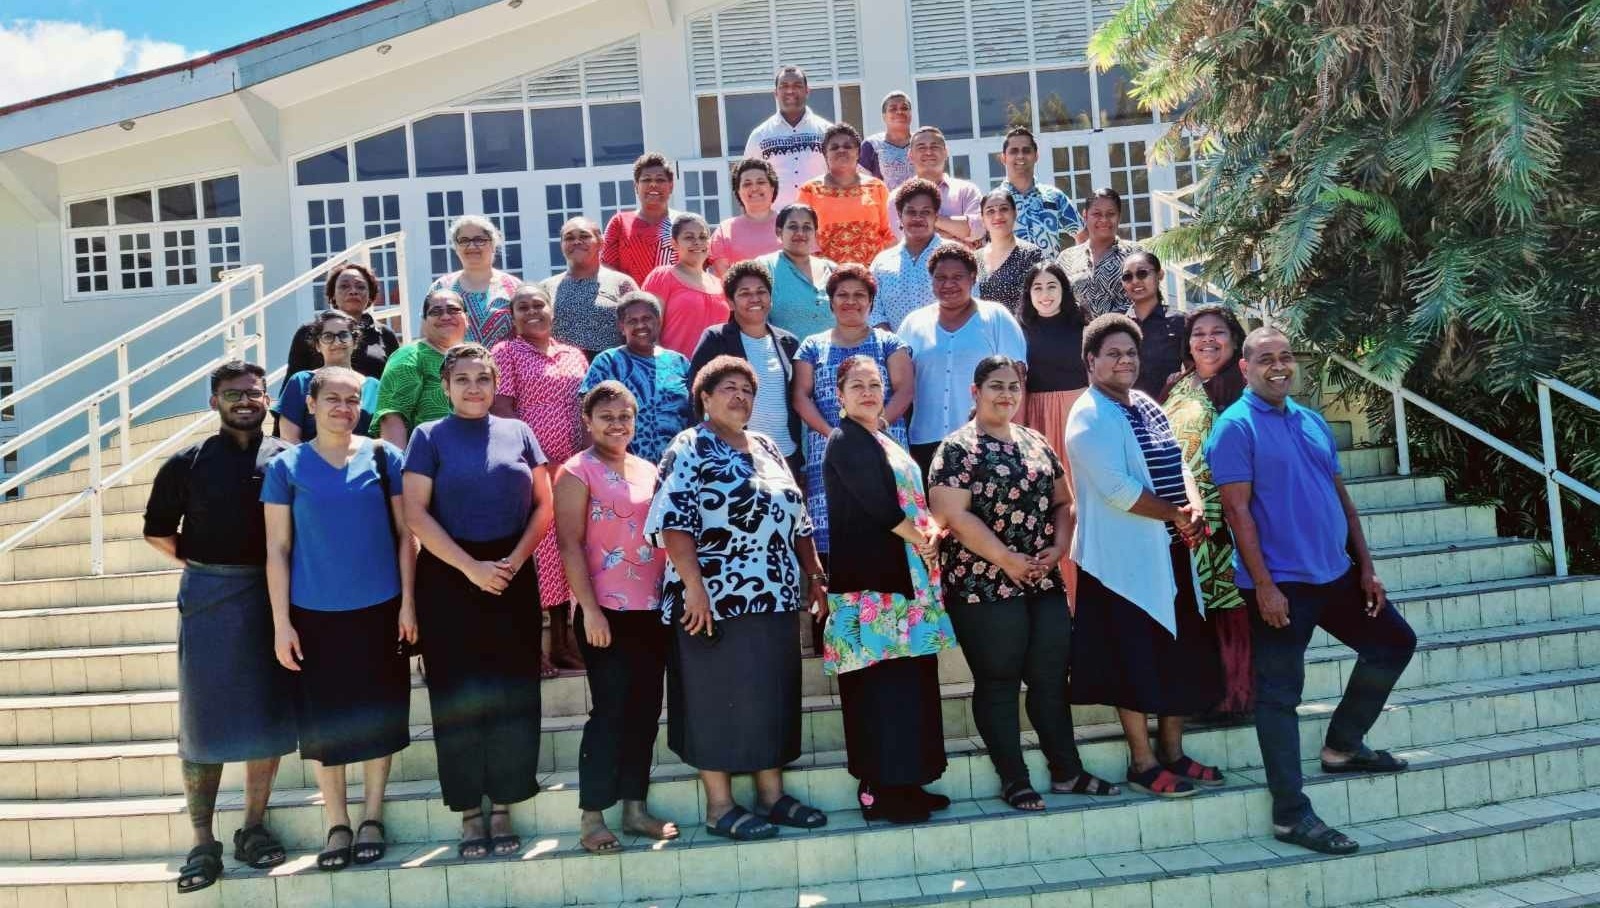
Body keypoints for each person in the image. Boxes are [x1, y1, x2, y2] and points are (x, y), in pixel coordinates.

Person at [1207, 327, 1416, 856]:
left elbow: (1341, 500)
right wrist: (1264, 587)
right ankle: (1289, 814)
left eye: (1285, 357)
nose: (1278, 367)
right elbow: (1237, 513)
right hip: (1282, 586)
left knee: (1393, 643)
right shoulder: (1234, 428)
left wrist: (1366, 567)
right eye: (1265, 360)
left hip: (1337, 575)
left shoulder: (1312, 420)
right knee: (1278, 697)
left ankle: (1343, 746)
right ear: (1245, 368)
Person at [645, 355, 829, 840]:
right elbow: (673, 522)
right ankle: (720, 806)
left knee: (771, 695)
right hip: (712, 599)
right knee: (714, 699)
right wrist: (694, 589)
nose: (739, 397)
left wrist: (814, 575)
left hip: (774, 594)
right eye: (728, 388)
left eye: (747, 390)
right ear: (704, 398)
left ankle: (771, 796)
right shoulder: (689, 446)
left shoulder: (767, 446)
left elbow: (799, 517)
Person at [928, 356, 1118, 811]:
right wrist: (1006, 559)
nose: (1006, 395)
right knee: (999, 681)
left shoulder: (1034, 441)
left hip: (1042, 580)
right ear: (975, 392)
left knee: (1051, 678)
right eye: (996, 386)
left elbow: (1063, 503)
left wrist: (1058, 548)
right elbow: (950, 514)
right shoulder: (956, 449)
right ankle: (1014, 779)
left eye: (1014, 386)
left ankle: (1067, 771)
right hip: (983, 586)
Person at [143, 361, 297, 895]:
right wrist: (205, 565)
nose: (245, 401)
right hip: (209, 596)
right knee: (202, 721)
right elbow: (159, 532)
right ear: (214, 402)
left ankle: (253, 826)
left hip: (272, 594)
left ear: (267, 399)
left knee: (268, 712)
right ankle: (202, 839)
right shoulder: (186, 463)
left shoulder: (286, 458)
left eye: (253, 393)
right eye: (233, 394)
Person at [1064, 314, 1223, 801]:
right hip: (1120, 564)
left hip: (1170, 550)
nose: (1124, 361)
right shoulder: (1087, 414)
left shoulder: (1148, 405)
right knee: (1132, 660)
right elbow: (1117, 490)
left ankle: (1173, 752)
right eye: (1112, 353)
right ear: (1091, 362)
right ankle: (1142, 761)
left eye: (1130, 353)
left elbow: (1177, 462)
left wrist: (1192, 505)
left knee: (1179, 652)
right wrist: (1177, 515)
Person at [263, 365, 415, 872]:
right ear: (310, 404)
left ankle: (372, 814)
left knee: (379, 713)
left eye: (352, 400)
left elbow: (404, 537)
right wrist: (282, 623)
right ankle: (337, 822)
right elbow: (278, 548)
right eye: (332, 398)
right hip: (314, 614)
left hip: (379, 608)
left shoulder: (383, 456)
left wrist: (409, 603)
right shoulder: (286, 467)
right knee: (326, 724)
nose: (343, 408)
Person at [403, 344, 550, 861]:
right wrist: (470, 567)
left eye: (482, 379)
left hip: (512, 572)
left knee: (513, 691)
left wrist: (509, 561)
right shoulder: (427, 437)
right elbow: (416, 515)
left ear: (494, 383)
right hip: (448, 576)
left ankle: (507, 799)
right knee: (456, 695)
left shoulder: (520, 431)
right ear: (445, 387)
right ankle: (469, 809)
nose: (473, 388)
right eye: (461, 379)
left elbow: (544, 504)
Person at [822, 355, 955, 823]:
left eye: (875, 384)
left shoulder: (883, 438)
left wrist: (930, 536)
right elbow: (878, 506)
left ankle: (910, 781)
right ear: (838, 395)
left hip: (906, 583)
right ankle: (880, 789)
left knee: (909, 686)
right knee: (877, 690)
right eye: (856, 385)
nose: (867, 392)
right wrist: (922, 538)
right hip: (871, 591)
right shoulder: (844, 440)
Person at [554, 381, 678, 853]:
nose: (617, 424)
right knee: (610, 711)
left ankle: (634, 808)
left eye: (625, 415)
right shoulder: (576, 471)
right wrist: (588, 610)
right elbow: (568, 543)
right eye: (606, 416)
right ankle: (592, 816)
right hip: (604, 610)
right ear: (588, 421)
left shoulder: (647, 469)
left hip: (652, 609)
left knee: (645, 711)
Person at [491, 284, 588, 676]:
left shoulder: (573, 355)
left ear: (552, 311)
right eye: (522, 307)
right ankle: (535, 647)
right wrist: (534, 461)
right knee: (538, 554)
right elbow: (502, 408)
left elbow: (585, 407)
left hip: (572, 468)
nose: (532, 312)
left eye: (538, 305)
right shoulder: (506, 353)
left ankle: (565, 643)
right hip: (531, 467)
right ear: (512, 317)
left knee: (568, 549)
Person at [1162, 305, 1251, 717]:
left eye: (1218, 332)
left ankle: (1235, 695)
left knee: (1228, 604)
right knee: (1193, 603)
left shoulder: (1242, 387)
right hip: (1183, 516)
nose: (1208, 340)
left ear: (1235, 341)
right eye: (1199, 333)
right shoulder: (1177, 384)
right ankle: (1199, 694)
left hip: (1229, 516)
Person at [793, 264, 913, 562]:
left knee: (888, 530)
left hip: (883, 447)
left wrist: (878, 426)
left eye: (860, 295)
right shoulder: (811, 346)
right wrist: (833, 434)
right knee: (838, 543)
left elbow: (904, 390)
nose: (851, 301)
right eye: (842, 294)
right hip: (829, 450)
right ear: (831, 301)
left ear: (871, 302)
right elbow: (800, 396)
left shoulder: (889, 343)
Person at [898, 244, 1027, 479]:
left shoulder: (996, 317)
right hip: (926, 442)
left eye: (957, 277)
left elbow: (1017, 381)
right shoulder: (913, 324)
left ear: (973, 278)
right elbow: (900, 385)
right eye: (940, 278)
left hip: (987, 440)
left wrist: (1014, 437)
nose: (948, 284)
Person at [1016, 261, 1090, 601]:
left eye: (1052, 286)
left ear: (1064, 290)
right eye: (1037, 288)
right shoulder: (1019, 331)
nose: (1044, 295)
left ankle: (1087, 592)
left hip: (1079, 418)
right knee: (1049, 503)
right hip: (1038, 420)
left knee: (1082, 500)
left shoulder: (1083, 327)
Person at [686, 260, 803, 475]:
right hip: (733, 453)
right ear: (730, 302)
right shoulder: (716, 339)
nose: (755, 298)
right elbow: (695, 395)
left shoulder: (788, 343)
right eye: (744, 293)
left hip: (785, 455)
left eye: (761, 291)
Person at [579, 292, 693, 467]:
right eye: (632, 321)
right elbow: (587, 413)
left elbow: (697, 412)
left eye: (647, 318)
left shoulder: (679, 362)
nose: (640, 325)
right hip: (622, 467)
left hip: (678, 466)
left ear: (659, 321)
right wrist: (592, 465)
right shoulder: (607, 361)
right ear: (621, 326)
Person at [373, 287, 467, 448]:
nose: (445, 316)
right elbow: (392, 418)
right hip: (427, 465)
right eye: (436, 312)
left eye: (453, 310)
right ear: (424, 321)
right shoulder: (410, 357)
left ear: (467, 318)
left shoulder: (475, 357)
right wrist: (398, 469)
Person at [795, 122, 894, 266]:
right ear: (825, 154)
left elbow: (889, 234)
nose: (841, 150)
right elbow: (801, 235)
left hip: (871, 275)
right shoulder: (809, 191)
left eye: (847, 146)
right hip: (826, 276)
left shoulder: (877, 187)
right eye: (834, 147)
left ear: (858, 153)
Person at [274, 310, 381, 443]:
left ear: (354, 342)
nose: (336, 342)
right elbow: (289, 440)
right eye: (328, 336)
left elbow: (381, 439)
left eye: (343, 335)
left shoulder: (374, 387)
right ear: (318, 345)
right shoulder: (301, 382)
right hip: (309, 462)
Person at [281, 262, 400, 382]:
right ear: (332, 295)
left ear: (370, 294)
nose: (353, 291)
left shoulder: (385, 334)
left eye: (360, 287)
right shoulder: (308, 332)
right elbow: (292, 385)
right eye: (344, 286)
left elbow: (396, 384)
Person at [543, 217, 639, 360]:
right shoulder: (546, 287)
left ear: (601, 242)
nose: (576, 242)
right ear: (562, 245)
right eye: (569, 238)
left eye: (584, 236)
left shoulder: (621, 283)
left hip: (610, 369)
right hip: (563, 371)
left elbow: (639, 326)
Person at [421, 215, 522, 347]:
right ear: (456, 247)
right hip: (450, 366)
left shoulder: (514, 287)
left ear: (493, 244)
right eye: (464, 240)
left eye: (479, 239)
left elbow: (527, 336)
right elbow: (426, 337)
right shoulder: (441, 287)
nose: (471, 246)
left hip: (504, 366)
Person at [743, 65, 830, 208]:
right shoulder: (759, 136)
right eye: (784, 86)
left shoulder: (826, 132)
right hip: (775, 223)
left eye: (797, 85)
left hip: (819, 219)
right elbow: (745, 181)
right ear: (775, 93)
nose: (790, 90)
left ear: (807, 91)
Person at [643, 213, 730, 357]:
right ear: (674, 243)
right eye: (689, 237)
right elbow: (648, 331)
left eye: (702, 237)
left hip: (715, 375)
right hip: (674, 372)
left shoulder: (720, 284)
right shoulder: (663, 276)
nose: (697, 242)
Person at [869, 178, 948, 333]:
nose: (918, 218)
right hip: (894, 353)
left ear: (936, 217)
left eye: (925, 212)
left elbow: (970, 307)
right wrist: (896, 349)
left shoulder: (954, 256)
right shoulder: (882, 263)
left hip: (948, 351)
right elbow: (874, 313)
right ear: (899, 215)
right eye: (911, 212)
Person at [1056, 188, 1143, 318]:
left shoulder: (1135, 254)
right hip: (1079, 335)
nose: (1104, 219)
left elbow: (1149, 300)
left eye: (1111, 214)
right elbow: (1057, 301)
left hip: (1126, 333)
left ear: (1119, 216)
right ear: (1085, 215)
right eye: (1096, 214)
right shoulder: (1066, 258)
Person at [996, 126, 1083, 256]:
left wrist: (1073, 268)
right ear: (1004, 158)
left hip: (1049, 276)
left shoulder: (1054, 197)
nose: (1020, 156)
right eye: (1014, 151)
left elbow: (1082, 235)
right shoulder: (993, 202)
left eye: (1026, 150)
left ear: (1036, 156)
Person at [601, 153, 684, 287]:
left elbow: (698, 266)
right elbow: (606, 267)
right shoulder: (620, 223)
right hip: (632, 303)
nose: (653, 184)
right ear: (636, 187)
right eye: (646, 180)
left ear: (671, 186)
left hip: (678, 303)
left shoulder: (684, 223)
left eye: (660, 180)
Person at [888, 127, 981, 243]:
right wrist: (956, 232)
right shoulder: (897, 196)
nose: (928, 152)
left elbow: (977, 229)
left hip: (960, 260)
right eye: (921, 147)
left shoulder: (967, 191)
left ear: (946, 152)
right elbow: (908, 238)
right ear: (910, 155)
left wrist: (929, 219)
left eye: (934, 146)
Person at [759, 203, 836, 339]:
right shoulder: (765, 267)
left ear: (815, 233)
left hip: (834, 356)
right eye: (793, 226)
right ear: (779, 231)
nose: (800, 233)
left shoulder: (831, 270)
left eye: (807, 227)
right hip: (785, 357)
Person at [1120, 250, 1186, 400]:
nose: (1135, 281)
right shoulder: (1118, 325)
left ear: (1159, 275)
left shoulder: (1180, 322)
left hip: (1169, 409)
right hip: (1125, 411)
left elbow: (1192, 370)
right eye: (1127, 277)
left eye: (1142, 273)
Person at [976, 188, 1046, 316]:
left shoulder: (1030, 254)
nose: (997, 216)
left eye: (1004, 209)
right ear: (983, 219)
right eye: (990, 211)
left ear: (1014, 213)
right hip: (986, 331)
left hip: (1021, 331)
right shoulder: (975, 258)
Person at [709, 158, 783, 275]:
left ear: (772, 188)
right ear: (738, 191)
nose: (754, 188)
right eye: (747, 184)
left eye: (761, 182)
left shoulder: (790, 223)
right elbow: (723, 279)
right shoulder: (725, 230)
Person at [858, 91, 916, 193]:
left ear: (911, 113)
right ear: (884, 116)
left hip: (920, 206)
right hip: (883, 206)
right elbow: (862, 184)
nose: (899, 112)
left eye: (904, 108)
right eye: (893, 109)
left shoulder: (921, 142)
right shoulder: (871, 145)